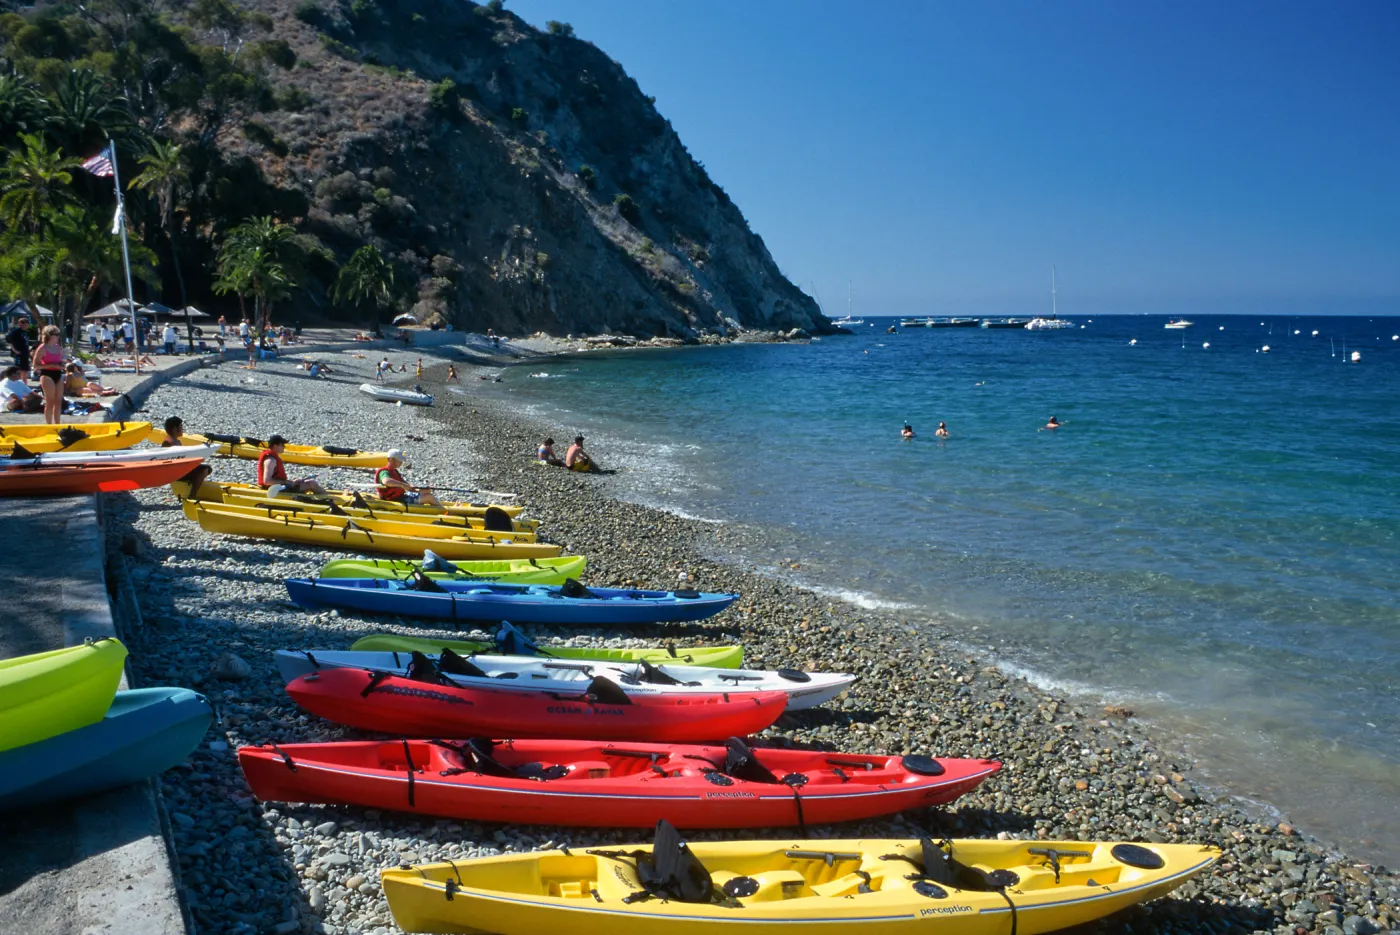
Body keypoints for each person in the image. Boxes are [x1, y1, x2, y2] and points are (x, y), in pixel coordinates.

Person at [257, 435, 326, 494]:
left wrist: (290, 482)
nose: (284, 447)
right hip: (275, 490)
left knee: (306, 481)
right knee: (312, 483)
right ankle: (329, 500)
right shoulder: (270, 460)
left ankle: (325, 497)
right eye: (282, 445)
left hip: (279, 486)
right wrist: (286, 482)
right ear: (275, 446)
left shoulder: (272, 458)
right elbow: (267, 481)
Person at [374, 449, 441, 506]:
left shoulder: (394, 471)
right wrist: (402, 485)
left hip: (401, 496)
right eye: (399, 460)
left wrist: (425, 489)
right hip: (396, 499)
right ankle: (444, 512)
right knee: (429, 497)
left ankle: (439, 508)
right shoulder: (384, 472)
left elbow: (409, 487)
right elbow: (386, 481)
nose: (401, 462)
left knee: (427, 493)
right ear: (390, 460)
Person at [32, 324, 66, 424]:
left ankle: (57, 425)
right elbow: (35, 365)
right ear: (49, 335)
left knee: (59, 402)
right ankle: (49, 425)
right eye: (56, 334)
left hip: (58, 374)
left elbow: (59, 362)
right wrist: (52, 365)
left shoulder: (58, 347)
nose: (58, 336)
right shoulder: (42, 348)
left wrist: (62, 365)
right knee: (49, 402)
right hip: (47, 375)